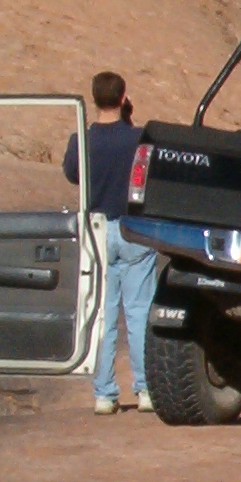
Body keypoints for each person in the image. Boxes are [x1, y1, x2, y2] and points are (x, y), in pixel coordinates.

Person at [62, 71, 157, 415]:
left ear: (93, 98)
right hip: (134, 228)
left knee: (101, 314)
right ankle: (146, 388)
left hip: (97, 231)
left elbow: (73, 174)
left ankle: (104, 392)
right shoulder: (139, 138)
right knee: (139, 311)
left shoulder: (81, 140)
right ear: (123, 97)